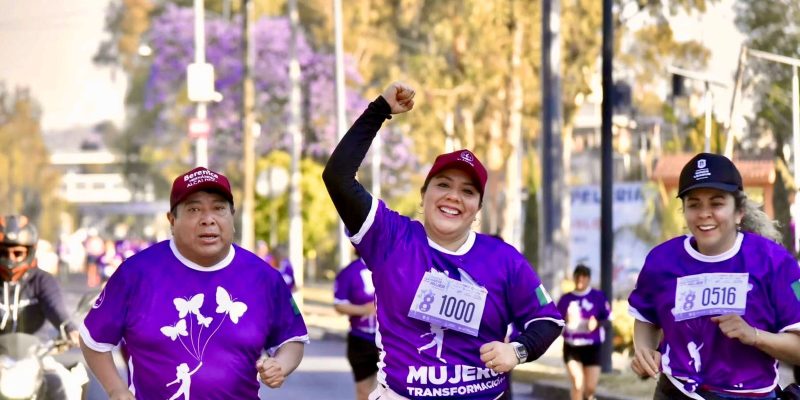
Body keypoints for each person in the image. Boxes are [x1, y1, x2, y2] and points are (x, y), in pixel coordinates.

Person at [323, 81, 564, 399]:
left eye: (467, 191)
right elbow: (337, 177)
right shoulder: (390, 238)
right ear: (423, 195)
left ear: (477, 208)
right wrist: (379, 110)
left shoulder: (503, 258)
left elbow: (547, 320)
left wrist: (518, 351)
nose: (453, 197)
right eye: (443, 185)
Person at [79, 166, 309, 399]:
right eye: (194, 209)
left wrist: (281, 365)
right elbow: (93, 339)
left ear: (232, 215)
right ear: (172, 220)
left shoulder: (264, 277)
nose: (208, 220)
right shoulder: (136, 273)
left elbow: (292, 340)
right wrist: (116, 390)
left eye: (219, 208)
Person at [628, 153, 800, 399]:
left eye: (717, 203)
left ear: (739, 211)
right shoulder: (662, 261)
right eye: (694, 204)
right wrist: (644, 349)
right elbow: (646, 317)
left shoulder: (775, 263)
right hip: (676, 391)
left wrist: (754, 336)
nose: (704, 213)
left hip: (750, 394)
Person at [0, 215, 82, 399]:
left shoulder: (42, 281)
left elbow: (56, 307)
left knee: (65, 384)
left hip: (37, 356)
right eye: (3, 253)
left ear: (29, 252)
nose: (10, 259)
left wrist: (70, 329)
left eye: (17, 253)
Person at [556, 264, 610, 400]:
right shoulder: (565, 299)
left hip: (592, 347)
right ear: (573, 277)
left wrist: (596, 323)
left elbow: (608, 320)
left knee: (590, 388)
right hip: (572, 347)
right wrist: (565, 320)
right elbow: (555, 323)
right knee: (578, 382)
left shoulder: (598, 296)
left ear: (589, 279)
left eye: (584, 276)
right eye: (578, 275)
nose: (580, 278)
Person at [334, 255, 379, 400]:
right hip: (362, 338)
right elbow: (339, 304)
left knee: (394, 391)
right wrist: (364, 310)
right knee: (364, 391)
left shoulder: (395, 265)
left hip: (392, 339)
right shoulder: (349, 272)